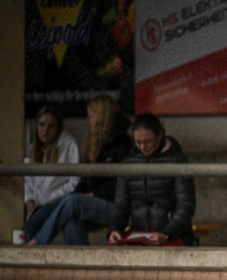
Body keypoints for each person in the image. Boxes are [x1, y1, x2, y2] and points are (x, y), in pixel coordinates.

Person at [29, 95, 131, 245]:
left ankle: (38, 241)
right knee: (70, 223)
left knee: (74, 201)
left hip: (118, 209)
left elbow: (124, 185)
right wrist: (78, 194)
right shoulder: (95, 142)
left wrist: (93, 194)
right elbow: (85, 179)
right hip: (93, 204)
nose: (89, 121)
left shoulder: (123, 144)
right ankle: (80, 267)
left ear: (102, 117)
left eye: (91, 117)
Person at [107, 113, 196, 246]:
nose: (143, 147)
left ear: (160, 135)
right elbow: (121, 205)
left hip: (173, 234)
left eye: (148, 141)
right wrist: (114, 229)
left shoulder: (177, 161)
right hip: (138, 233)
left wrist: (167, 233)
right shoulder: (128, 163)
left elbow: (186, 206)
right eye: (138, 142)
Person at [23, 105, 80, 243]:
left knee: (32, 225)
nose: (45, 130)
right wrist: (29, 200)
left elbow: (74, 182)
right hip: (35, 204)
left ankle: (30, 258)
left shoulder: (69, 146)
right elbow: (26, 180)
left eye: (51, 126)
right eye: (41, 125)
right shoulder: (32, 149)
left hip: (57, 202)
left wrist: (50, 199)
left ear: (58, 127)